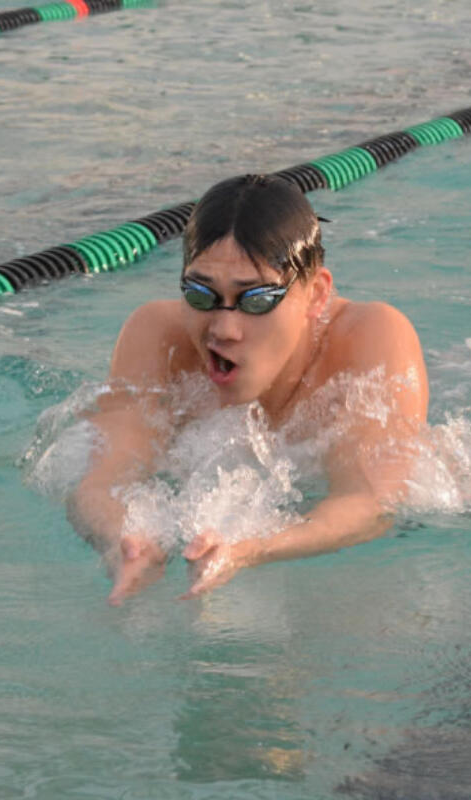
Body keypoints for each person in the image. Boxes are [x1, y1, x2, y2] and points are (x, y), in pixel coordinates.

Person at [66, 174, 429, 604]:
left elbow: (370, 502)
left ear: (316, 296)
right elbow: (101, 481)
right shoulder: (159, 338)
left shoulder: (368, 340)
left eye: (255, 300)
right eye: (201, 294)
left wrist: (251, 548)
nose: (222, 329)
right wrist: (121, 539)